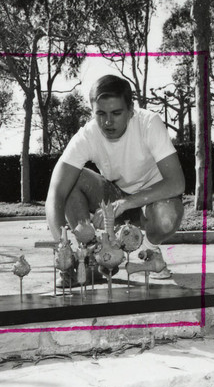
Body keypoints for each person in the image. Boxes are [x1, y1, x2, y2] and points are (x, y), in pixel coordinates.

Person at [46, 74, 185, 286]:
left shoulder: (149, 123)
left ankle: (150, 249)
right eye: (100, 114)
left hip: (152, 202)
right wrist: (61, 246)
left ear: (130, 110)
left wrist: (127, 203)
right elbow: (55, 193)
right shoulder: (87, 135)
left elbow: (176, 183)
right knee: (72, 180)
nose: (108, 122)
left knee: (167, 215)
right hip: (114, 200)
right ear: (92, 112)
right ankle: (92, 256)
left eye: (116, 113)